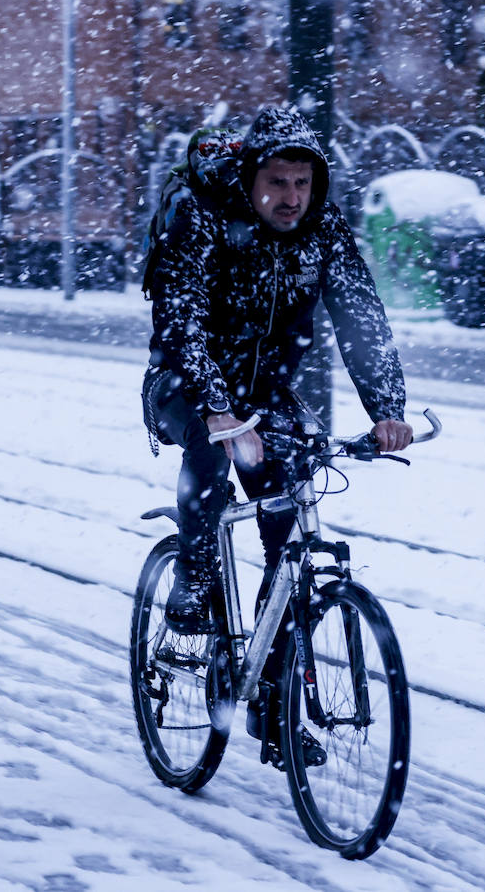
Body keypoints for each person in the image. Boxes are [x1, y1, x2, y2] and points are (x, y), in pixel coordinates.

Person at [141, 106, 412, 765]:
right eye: (278, 182)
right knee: (207, 456)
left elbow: (360, 317)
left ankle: (266, 693)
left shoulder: (322, 229)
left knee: (289, 526)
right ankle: (197, 581)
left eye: (303, 184)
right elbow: (181, 319)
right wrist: (217, 411)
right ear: (252, 177)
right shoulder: (203, 214)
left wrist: (387, 408)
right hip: (184, 383)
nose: (291, 198)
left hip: (266, 398)